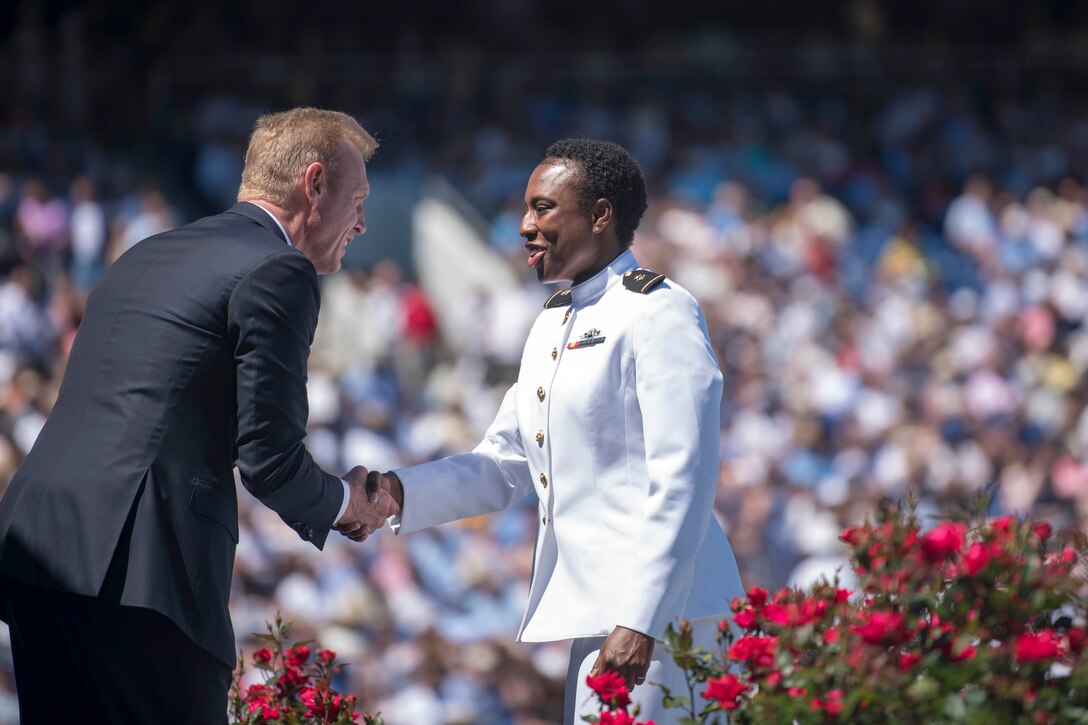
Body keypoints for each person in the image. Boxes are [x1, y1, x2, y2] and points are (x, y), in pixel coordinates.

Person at [0, 107, 398, 724]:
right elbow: (271, 461)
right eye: (359, 199)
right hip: (138, 568)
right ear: (314, 184)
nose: (364, 223)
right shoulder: (279, 268)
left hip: (39, 548)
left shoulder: (146, 254)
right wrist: (347, 504)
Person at [371, 139, 745, 724]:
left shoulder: (658, 311)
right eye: (526, 208)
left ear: (600, 214)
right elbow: (503, 463)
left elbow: (683, 478)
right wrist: (398, 492)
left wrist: (641, 619)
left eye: (543, 208)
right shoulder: (550, 323)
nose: (524, 225)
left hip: (667, 620)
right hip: (600, 618)